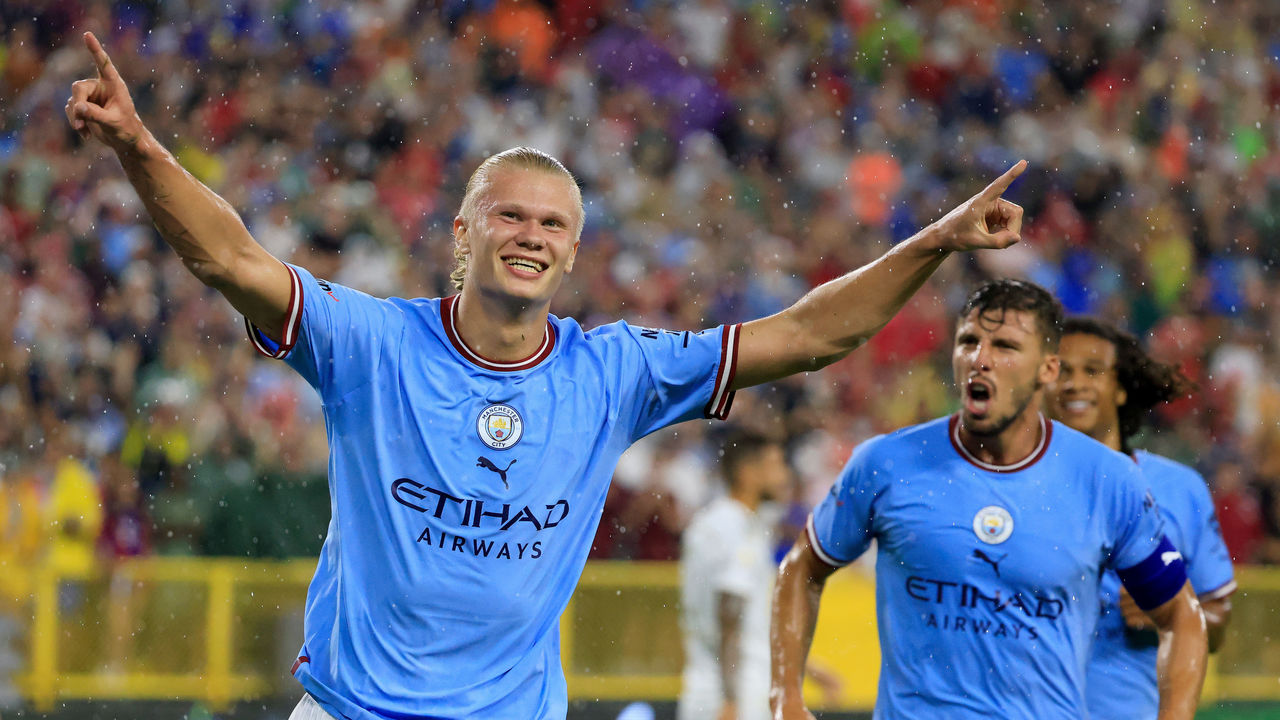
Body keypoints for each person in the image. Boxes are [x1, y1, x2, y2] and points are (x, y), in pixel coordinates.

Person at [67, 31, 1028, 720]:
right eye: (510, 216)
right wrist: (141, 148)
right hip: (352, 707)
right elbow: (230, 262)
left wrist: (936, 241)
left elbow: (807, 336)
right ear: (464, 231)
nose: (531, 236)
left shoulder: (615, 373)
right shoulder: (372, 344)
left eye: (552, 224)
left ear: (572, 252)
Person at [770, 279, 1209, 720]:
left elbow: (1183, 616)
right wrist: (785, 697)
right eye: (968, 341)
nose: (980, 359)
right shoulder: (887, 463)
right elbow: (802, 568)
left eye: (1005, 346)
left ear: (1048, 369)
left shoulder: (1106, 479)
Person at [1046, 316, 1235, 720]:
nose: (1073, 383)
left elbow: (1216, 623)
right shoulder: (1012, 487)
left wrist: (1168, 610)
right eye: (1061, 370)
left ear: (1119, 388)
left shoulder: (1180, 489)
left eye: (1091, 370)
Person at [678, 428, 788, 720]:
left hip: (711, 689)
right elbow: (731, 611)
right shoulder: (735, 527)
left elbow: (747, 623)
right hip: (734, 698)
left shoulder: (718, 522)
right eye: (776, 466)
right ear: (747, 473)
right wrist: (730, 700)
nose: (784, 476)